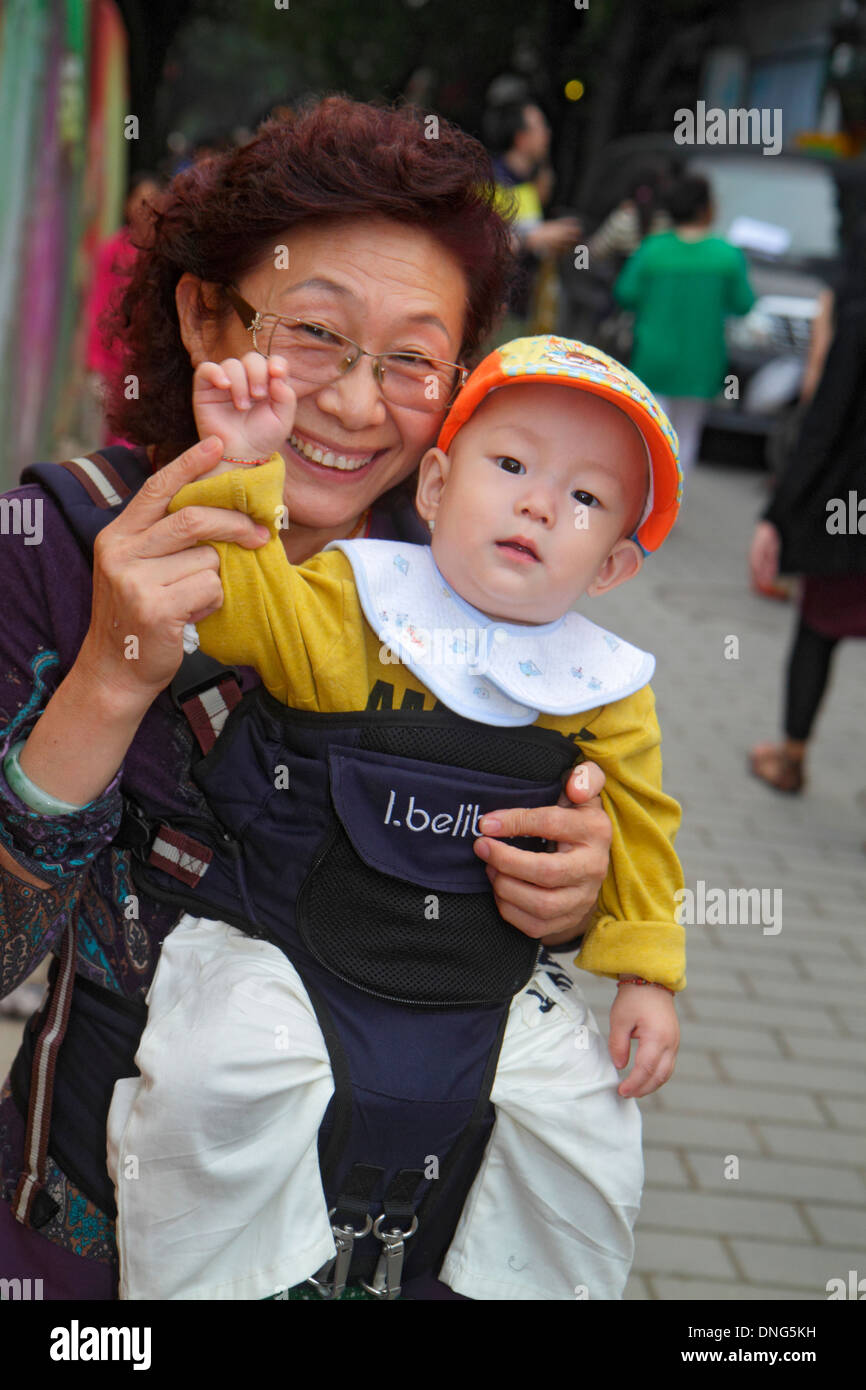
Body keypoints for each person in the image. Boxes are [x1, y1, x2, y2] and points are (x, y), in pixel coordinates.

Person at [0, 97, 616, 1301]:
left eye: (410, 362)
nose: (347, 404)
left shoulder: (486, 583)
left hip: (401, 1229)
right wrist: (110, 680)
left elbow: (513, 916)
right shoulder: (59, 541)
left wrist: (575, 891)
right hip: (97, 1234)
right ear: (197, 314)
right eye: (311, 335)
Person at [107, 334, 685, 1300]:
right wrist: (246, 467)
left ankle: (519, 1285)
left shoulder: (603, 687)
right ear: (434, 486)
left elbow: (642, 829)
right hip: (281, 937)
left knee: (589, 1118)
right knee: (213, 1077)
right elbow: (245, 612)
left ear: (615, 564)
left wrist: (646, 976)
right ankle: (202, 1287)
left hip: (484, 972)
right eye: (510, 466)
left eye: (586, 498)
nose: (541, 503)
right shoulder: (358, 596)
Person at [748, 294, 866, 792]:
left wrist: (780, 513)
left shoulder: (859, 317)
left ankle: (791, 759)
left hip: (850, 511)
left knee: (818, 629)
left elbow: (824, 420)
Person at [614, 172, 755, 478]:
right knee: (686, 437)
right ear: (706, 208)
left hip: (652, 359)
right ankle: (670, 509)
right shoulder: (727, 256)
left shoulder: (652, 249)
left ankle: (641, 508)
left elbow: (625, 293)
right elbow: (744, 304)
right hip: (701, 363)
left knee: (650, 436)